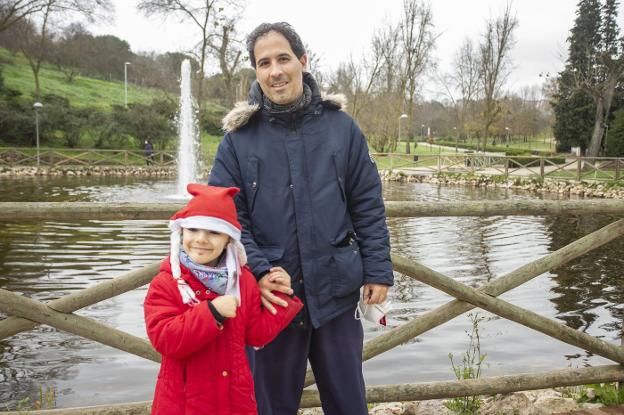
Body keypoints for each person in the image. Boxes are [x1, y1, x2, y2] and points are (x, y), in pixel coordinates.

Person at [209, 22, 393, 415]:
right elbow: (227, 217)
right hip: (270, 299)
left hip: (336, 295)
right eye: (264, 63)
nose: (275, 70)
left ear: (302, 61)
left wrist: (377, 269)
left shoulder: (341, 128)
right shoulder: (237, 141)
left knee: (348, 404)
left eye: (283, 58)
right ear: (255, 72)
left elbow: (367, 203)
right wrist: (259, 272)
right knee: (269, 407)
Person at [143, 183, 303, 415]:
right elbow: (165, 339)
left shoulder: (243, 280)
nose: (201, 239)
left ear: (229, 239)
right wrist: (212, 313)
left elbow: (256, 334)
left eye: (213, 232)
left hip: (234, 400)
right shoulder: (167, 283)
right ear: (181, 233)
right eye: (193, 230)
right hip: (184, 403)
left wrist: (282, 294)